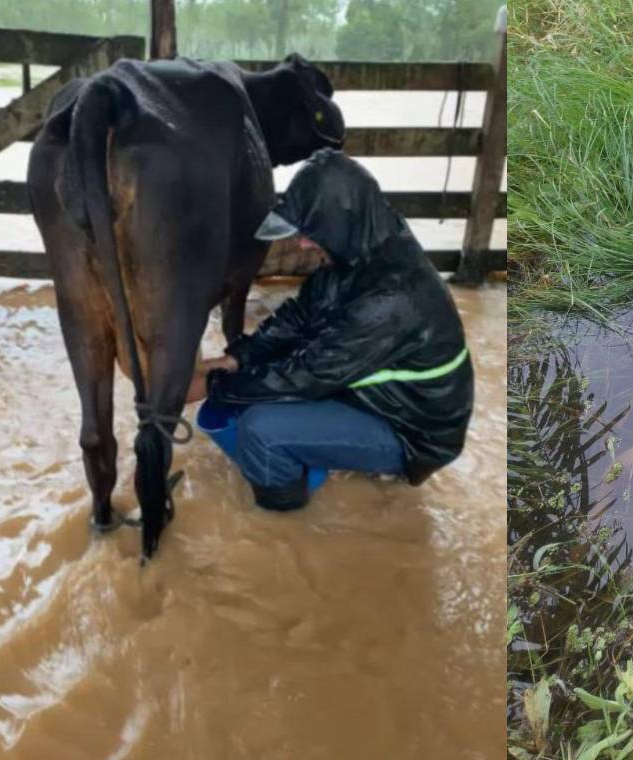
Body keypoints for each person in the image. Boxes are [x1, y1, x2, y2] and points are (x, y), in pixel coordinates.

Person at [188, 149, 474, 510]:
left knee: (261, 430)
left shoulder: (390, 297)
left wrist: (212, 385)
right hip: (389, 395)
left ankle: (284, 519)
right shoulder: (362, 245)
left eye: (311, 232)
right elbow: (299, 316)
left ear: (339, 223)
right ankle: (320, 451)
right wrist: (233, 361)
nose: (302, 243)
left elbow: (308, 376)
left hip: (413, 430)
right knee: (255, 387)